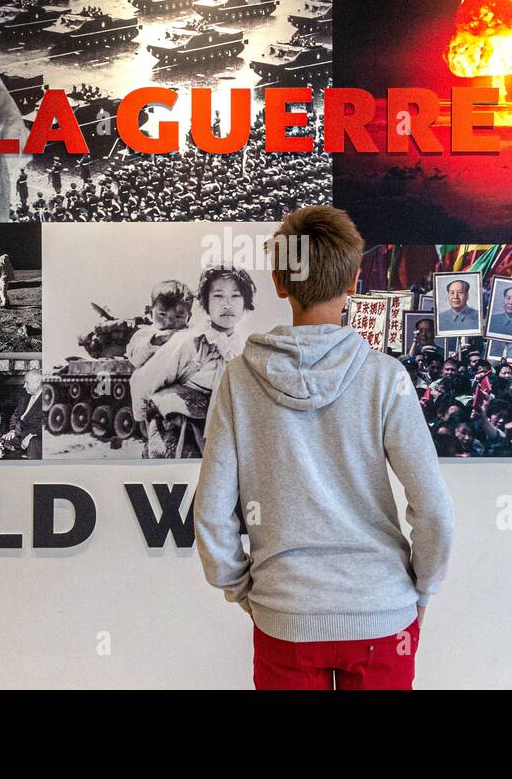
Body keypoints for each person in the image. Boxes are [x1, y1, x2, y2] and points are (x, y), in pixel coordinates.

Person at [194, 205, 455, 691]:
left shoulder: (238, 380)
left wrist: (244, 591)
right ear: (354, 281)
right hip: (382, 616)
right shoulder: (385, 377)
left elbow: (210, 512)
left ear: (278, 281)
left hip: (285, 617)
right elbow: (435, 509)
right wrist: (422, 589)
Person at [130, 265, 255, 459]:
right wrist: (143, 421)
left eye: (236, 296)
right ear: (205, 303)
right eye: (218, 296)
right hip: (181, 440)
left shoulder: (244, 351)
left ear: (246, 305)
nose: (227, 304)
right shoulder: (188, 342)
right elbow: (142, 381)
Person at [125, 279, 194, 367]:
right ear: (150, 313)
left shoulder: (190, 334)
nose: (169, 321)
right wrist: (154, 341)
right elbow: (135, 360)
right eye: (162, 314)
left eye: (178, 316)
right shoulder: (144, 334)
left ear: (188, 318)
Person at [0, 369, 45, 458]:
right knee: (2, 441)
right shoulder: (24, 398)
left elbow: (46, 424)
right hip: (19, 434)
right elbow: (15, 417)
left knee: (34, 443)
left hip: (34, 436)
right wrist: (12, 430)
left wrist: (31, 436)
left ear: (37, 383)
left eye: (27, 383)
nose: (24, 386)